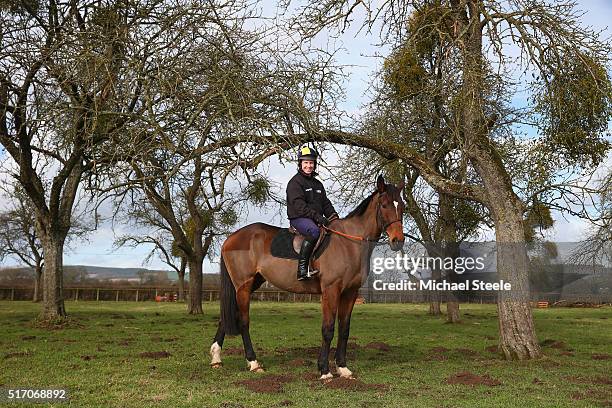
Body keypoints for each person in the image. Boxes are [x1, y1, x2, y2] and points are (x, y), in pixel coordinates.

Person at [286, 145, 339, 280]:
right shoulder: (295, 183)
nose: (309, 166)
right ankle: (302, 270)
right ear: (300, 164)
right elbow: (299, 207)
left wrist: (335, 219)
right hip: (299, 218)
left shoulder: (318, 184)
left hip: (315, 219)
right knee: (314, 232)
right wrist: (318, 218)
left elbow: (325, 204)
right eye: (306, 163)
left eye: (311, 163)